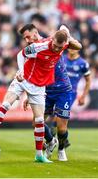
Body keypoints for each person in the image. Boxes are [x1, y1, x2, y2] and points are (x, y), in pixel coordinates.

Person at [0, 27, 72, 163]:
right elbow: (21, 54)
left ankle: (39, 155)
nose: (56, 49)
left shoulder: (64, 43)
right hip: (23, 79)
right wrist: (20, 72)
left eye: (59, 47)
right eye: (55, 45)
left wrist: (68, 35)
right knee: (6, 104)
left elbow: (71, 38)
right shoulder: (40, 46)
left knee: (39, 121)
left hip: (39, 86)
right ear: (53, 40)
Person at [19, 24, 82, 161]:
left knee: (61, 127)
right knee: (36, 123)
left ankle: (61, 149)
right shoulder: (35, 50)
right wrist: (29, 95)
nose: (28, 40)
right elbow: (31, 72)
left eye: (29, 36)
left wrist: (69, 38)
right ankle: (51, 141)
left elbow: (78, 46)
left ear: (36, 34)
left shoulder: (53, 42)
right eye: (25, 38)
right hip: (45, 89)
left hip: (63, 89)